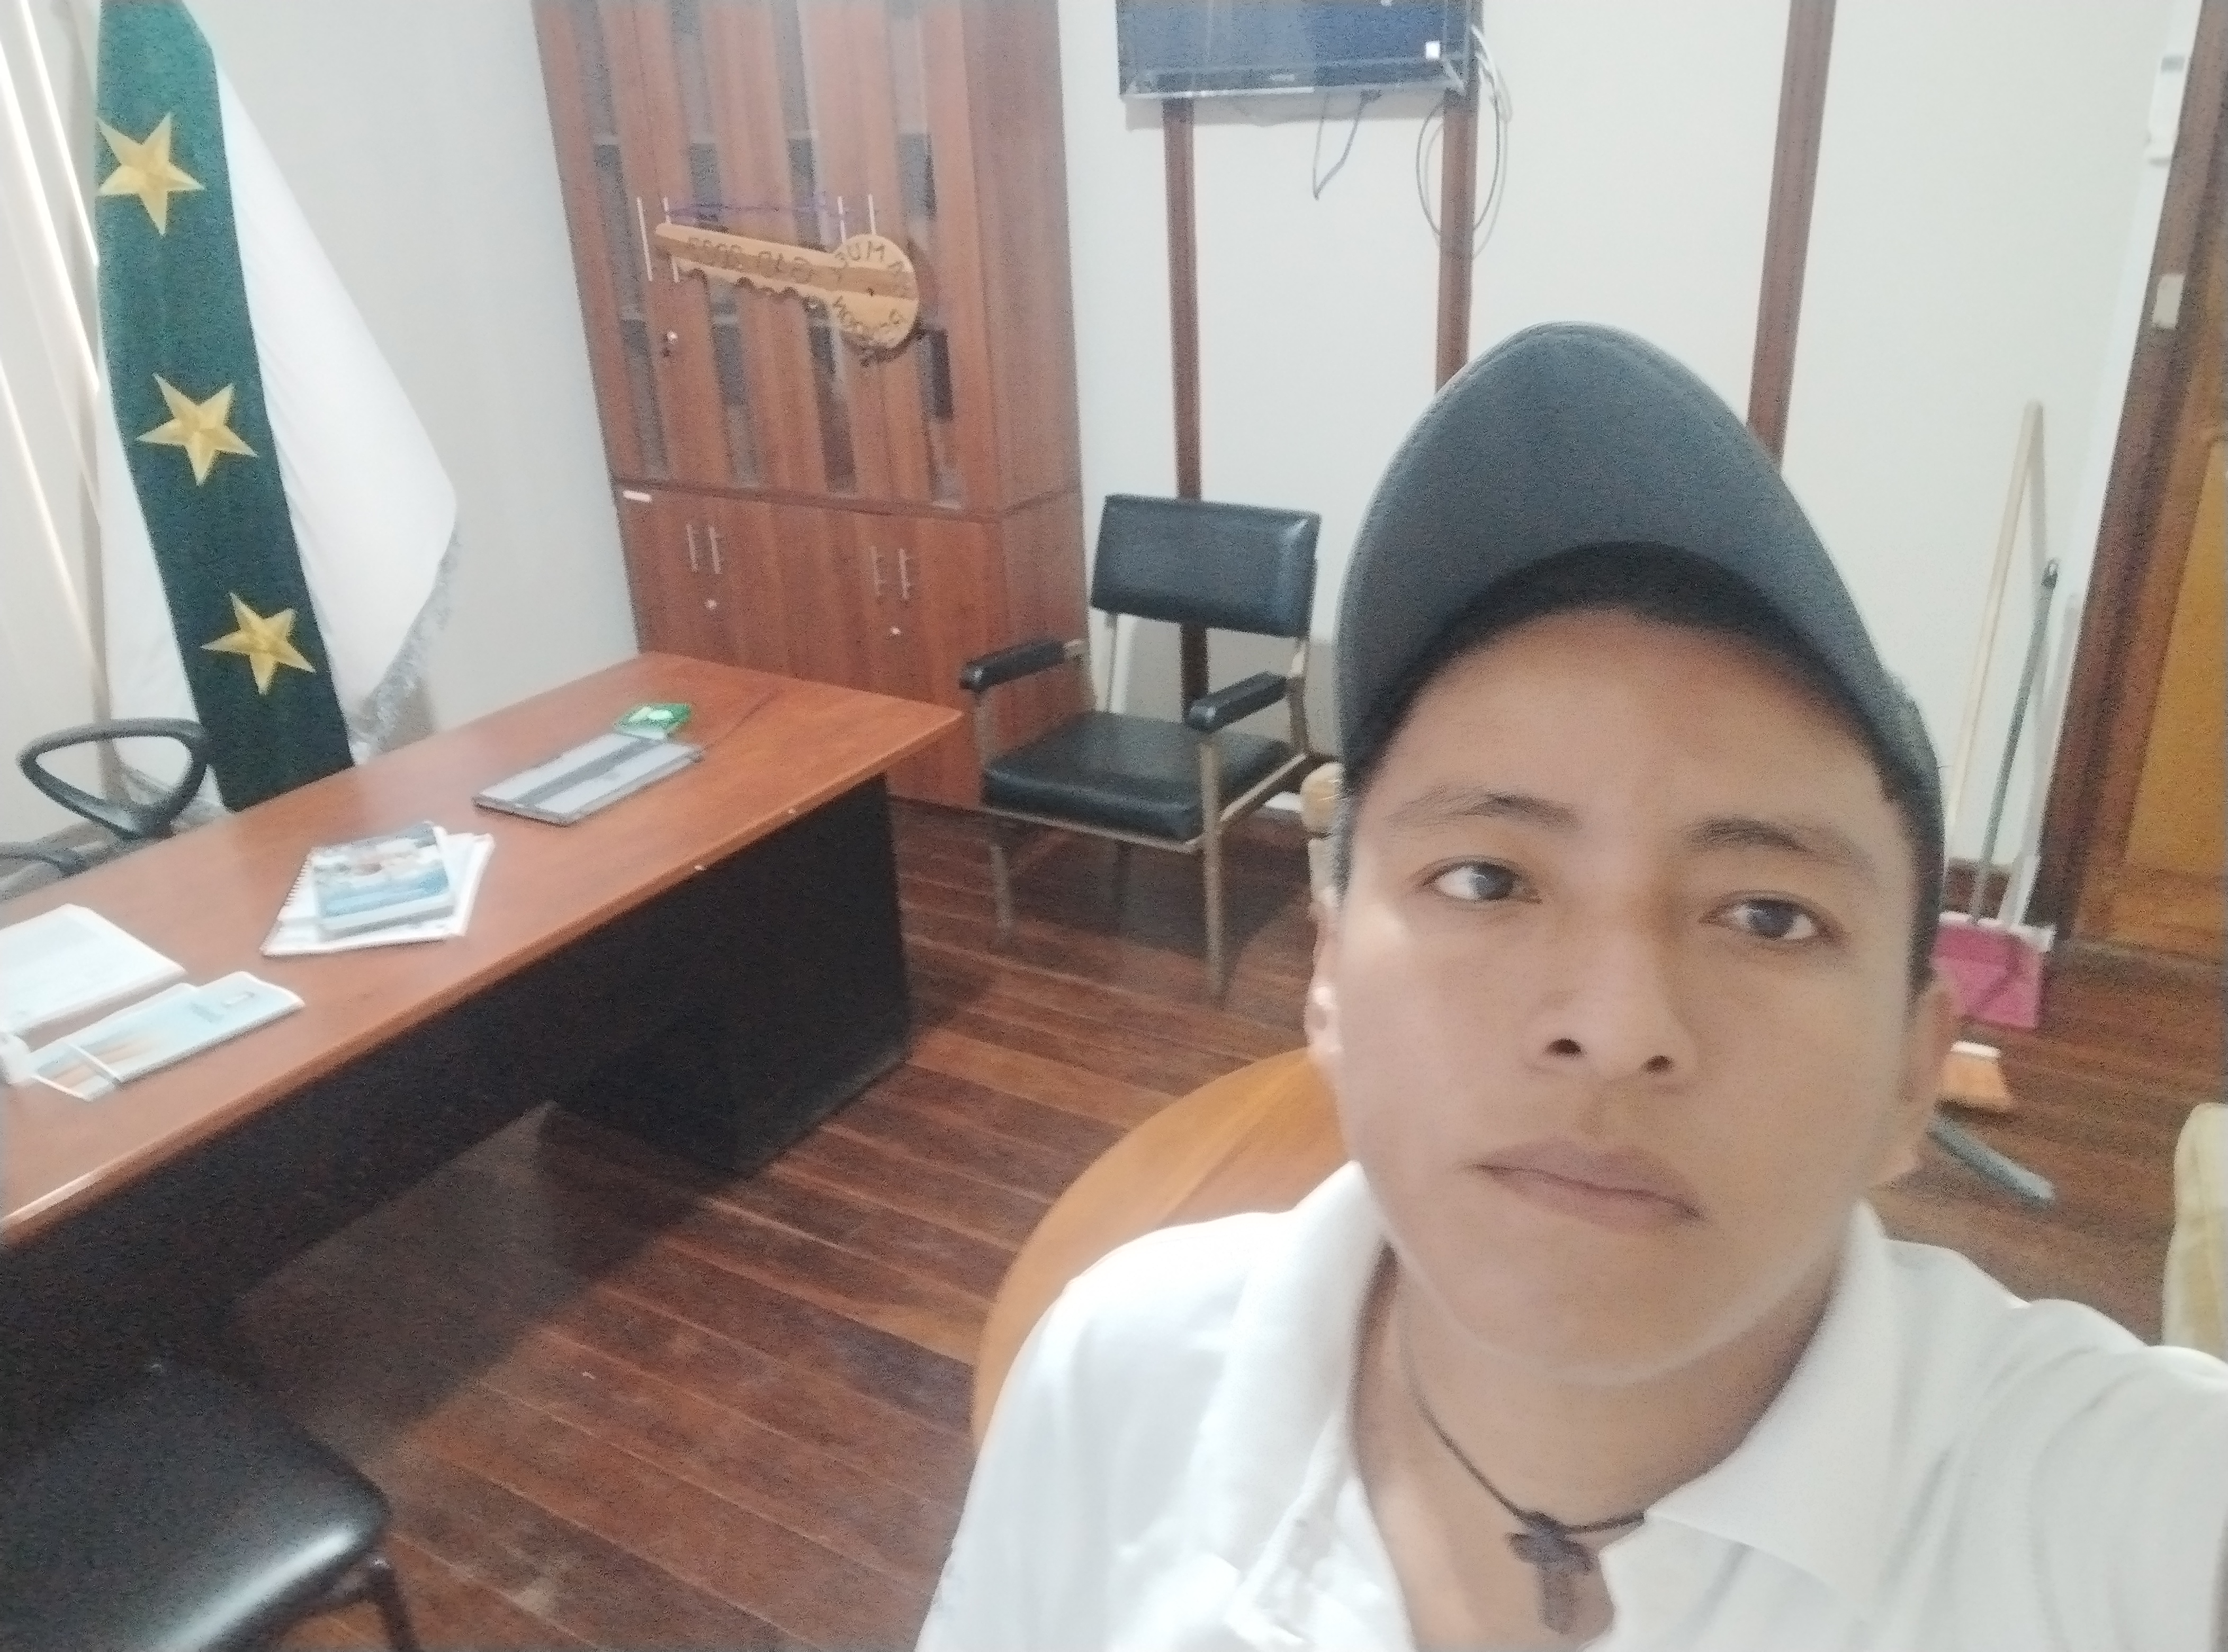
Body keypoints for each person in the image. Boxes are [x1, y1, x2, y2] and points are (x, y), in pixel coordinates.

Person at [919, 325, 2228, 1651]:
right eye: (1487, 879)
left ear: (1911, 1071)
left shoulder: (2134, 1525)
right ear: (1327, 979)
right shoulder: (1114, 1381)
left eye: (1767, 916)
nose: (1614, 1030)